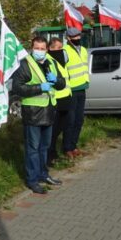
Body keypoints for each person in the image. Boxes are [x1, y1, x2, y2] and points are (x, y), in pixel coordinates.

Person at [13, 37, 66, 194]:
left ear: (47, 49)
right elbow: (18, 88)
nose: (40, 51)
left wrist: (56, 80)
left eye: (43, 49)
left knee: (45, 147)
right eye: (37, 48)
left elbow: (62, 84)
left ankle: (43, 174)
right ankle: (32, 180)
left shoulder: (50, 63)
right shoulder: (24, 65)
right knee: (33, 149)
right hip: (33, 113)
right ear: (32, 48)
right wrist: (39, 87)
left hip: (49, 111)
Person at [62, 27, 89, 158]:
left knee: (79, 120)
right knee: (70, 121)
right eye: (74, 36)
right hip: (71, 90)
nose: (78, 38)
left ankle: (73, 145)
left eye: (79, 35)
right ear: (68, 38)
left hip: (82, 88)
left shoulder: (83, 50)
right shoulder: (65, 51)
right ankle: (67, 148)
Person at [46, 37, 72, 166]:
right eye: (57, 48)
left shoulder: (62, 60)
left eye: (61, 48)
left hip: (65, 97)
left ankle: (54, 153)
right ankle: (49, 156)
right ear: (50, 48)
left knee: (59, 129)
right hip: (56, 99)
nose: (60, 50)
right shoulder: (49, 60)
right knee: (53, 130)